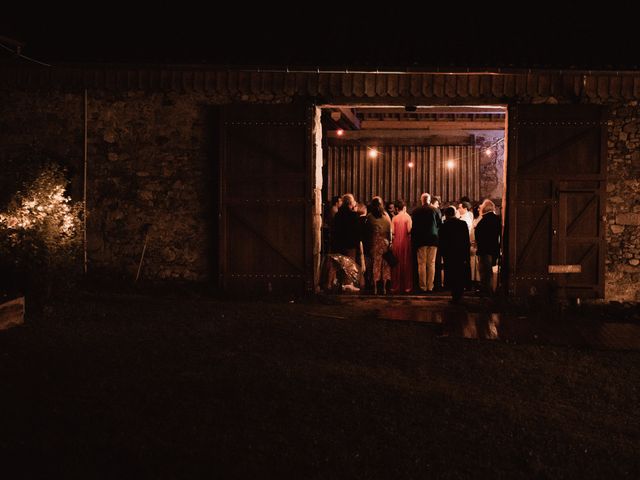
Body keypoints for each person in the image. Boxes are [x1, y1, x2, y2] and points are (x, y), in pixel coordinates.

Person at [438, 206, 471, 304]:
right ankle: (460, 294)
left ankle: (454, 296)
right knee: (460, 274)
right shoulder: (462, 224)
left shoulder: (444, 226)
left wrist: (443, 254)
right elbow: (466, 241)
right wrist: (466, 254)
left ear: (446, 215)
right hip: (460, 254)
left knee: (452, 274)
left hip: (449, 255)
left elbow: (441, 242)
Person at [411, 193, 441, 293]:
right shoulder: (436, 210)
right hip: (433, 240)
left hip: (421, 240)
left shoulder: (415, 211)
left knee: (422, 264)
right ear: (429, 200)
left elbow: (413, 227)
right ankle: (430, 286)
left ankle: (422, 287)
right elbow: (439, 224)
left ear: (421, 200)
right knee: (431, 263)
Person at [474, 199, 501, 296]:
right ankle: (488, 289)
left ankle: (486, 290)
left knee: (484, 271)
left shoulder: (484, 220)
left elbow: (478, 234)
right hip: (493, 248)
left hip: (484, 249)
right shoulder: (497, 219)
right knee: (489, 271)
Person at [367, 197, 392, 294]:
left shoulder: (370, 217)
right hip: (384, 242)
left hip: (375, 242)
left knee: (376, 265)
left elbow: (368, 232)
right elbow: (390, 230)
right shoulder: (386, 216)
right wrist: (390, 242)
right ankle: (385, 288)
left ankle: (375, 288)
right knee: (385, 265)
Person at [390, 199, 413, 294]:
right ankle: (407, 287)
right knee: (406, 264)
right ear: (404, 208)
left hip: (396, 243)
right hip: (406, 243)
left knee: (396, 265)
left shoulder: (394, 218)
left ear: (396, 208)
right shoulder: (408, 217)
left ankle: (395, 286)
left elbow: (393, 232)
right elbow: (409, 230)